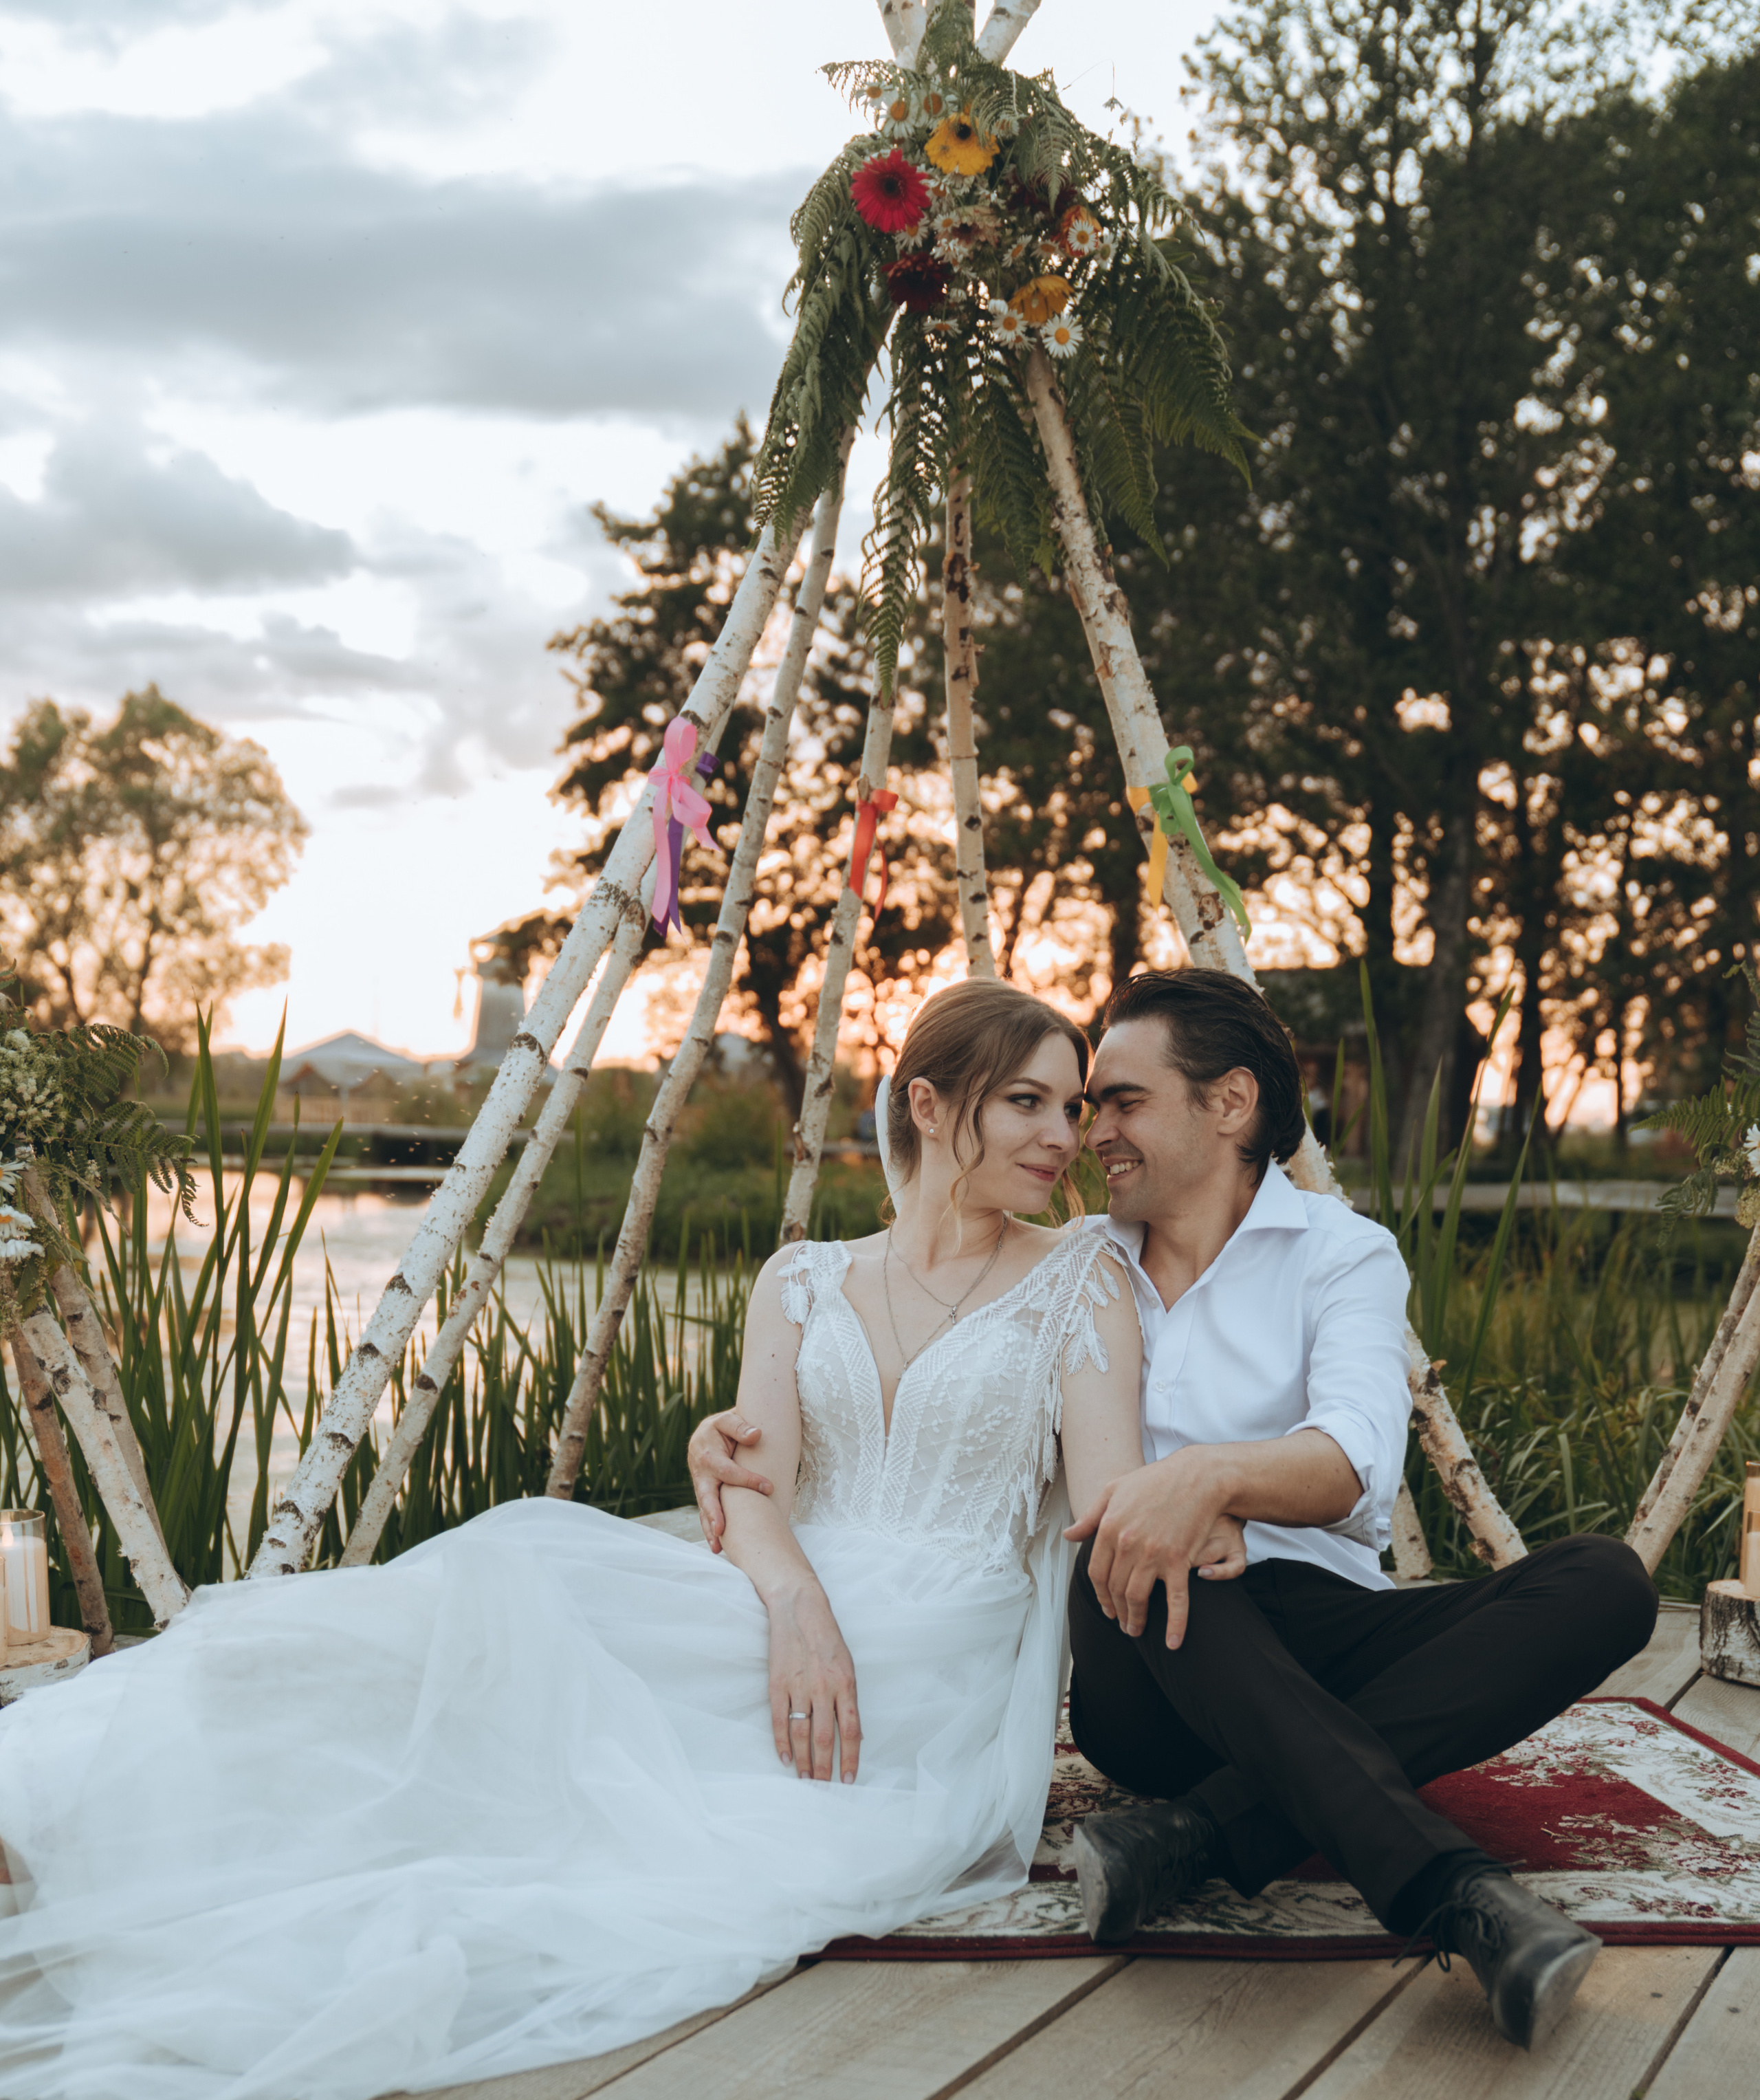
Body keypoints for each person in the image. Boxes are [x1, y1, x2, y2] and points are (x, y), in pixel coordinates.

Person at [0, 979, 1157, 2100]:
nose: (1062, 1134)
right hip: (781, 1586)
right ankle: (85, 1796)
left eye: (1072, 1106)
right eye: (1028, 1101)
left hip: (935, 1645)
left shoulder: (1082, 1275)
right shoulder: (803, 1278)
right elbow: (757, 1485)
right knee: (509, 1573)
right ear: (926, 1101)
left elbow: (1109, 1503)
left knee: (580, 1770)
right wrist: (796, 1604)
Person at [690, 966, 1660, 2054]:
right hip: (1156, 1653)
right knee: (1145, 1550)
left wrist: (1205, 1477)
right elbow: (926, 1339)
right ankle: (1455, 1894)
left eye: (1118, 1102)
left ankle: (1201, 1834)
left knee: (1607, 1582)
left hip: (1325, 1622)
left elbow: (1354, 1459)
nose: (1088, 1132)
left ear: (1230, 1103)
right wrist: (732, 1438)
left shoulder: (1344, 1252)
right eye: (1070, 1105)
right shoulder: (1077, 1263)